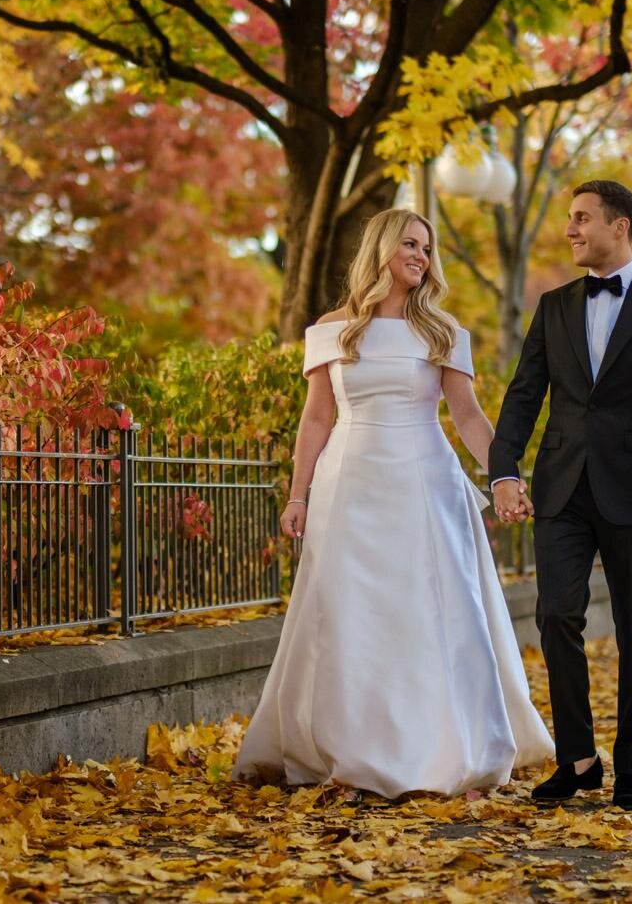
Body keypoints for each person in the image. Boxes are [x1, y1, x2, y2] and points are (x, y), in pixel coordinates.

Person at [233, 208, 554, 800]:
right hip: (348, 485)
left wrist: (504, 475)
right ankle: (352, 758)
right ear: (381, 248)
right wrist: (297, 494)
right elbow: (317, 417)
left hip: (425, 483)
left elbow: (466, 416)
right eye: (410, 244)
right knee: (352, 618)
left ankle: (452, 751)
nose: (421, 256)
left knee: (435, 614)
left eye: (427, 249)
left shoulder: (443, 331)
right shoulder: (334, 329)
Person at [489, 180, 632, 810]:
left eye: (582, 218)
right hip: (561, 487)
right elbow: (523, 394)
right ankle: (579, 759)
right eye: (568, 219)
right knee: (557, 615)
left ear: (620, 227)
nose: (570, 229)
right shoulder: (553, 305)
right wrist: (503, 471)